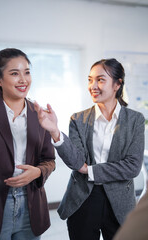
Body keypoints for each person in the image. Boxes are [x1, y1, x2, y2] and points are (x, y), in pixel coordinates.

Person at [34, 58, 145, 240]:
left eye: (100, 80)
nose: (93, 85)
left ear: (117, 84)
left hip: (119, 203)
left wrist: (89, 170)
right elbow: (77, 162)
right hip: (83, 200)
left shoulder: (135, 120)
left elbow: (132, 167)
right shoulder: (78, 119)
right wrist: (54, 131)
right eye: (90, 79)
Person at [0, 48, 55, 240]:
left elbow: (49, 159)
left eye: (27, 72)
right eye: (14, 73)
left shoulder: (39, 114)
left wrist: (38, 172)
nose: (23, 79)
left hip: (31, 203)